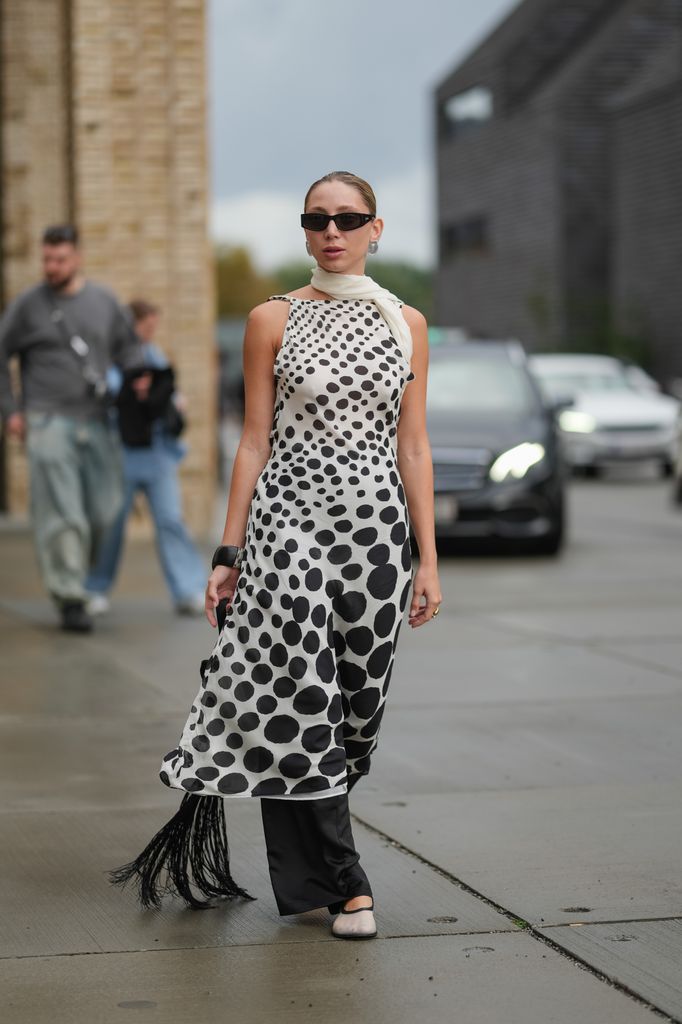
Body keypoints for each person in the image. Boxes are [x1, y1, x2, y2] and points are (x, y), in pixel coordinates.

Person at [110, 171, 442, 941]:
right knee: (305, 695)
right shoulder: (273, 319)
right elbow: (253, 440)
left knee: (354, 714)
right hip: (287, 530)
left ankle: (305, 880)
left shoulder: (408, 324)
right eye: (317, 219)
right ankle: (349, 884)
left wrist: (427, 559)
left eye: (349, 218)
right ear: (304, 230)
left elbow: (414, 444)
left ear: (376, 228)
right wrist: (229, 548)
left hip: (376, 540)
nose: (333, 231)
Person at [0, 225, 142, 632]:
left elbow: (128, 348)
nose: (51, 267)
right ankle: (69, 597)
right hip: (46, 419)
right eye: (46, 259)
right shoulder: (27, 305)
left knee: (106, 510)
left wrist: (139, 381)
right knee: (65, 515)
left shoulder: (103, 301)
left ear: (77, 257)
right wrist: (10, 409)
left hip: (97, 419)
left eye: (59, 259)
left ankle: (78, 578)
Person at [86, 300, 207, 616]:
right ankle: (94, 588)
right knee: (112, 523)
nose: (150, 332)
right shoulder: (112, 358)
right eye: (146, 326)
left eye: (154, 326)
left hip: (158, 454)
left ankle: (188, 589)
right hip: (121, 454)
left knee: (171, 520)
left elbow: (166, 391)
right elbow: (108, 393)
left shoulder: (155, 355)